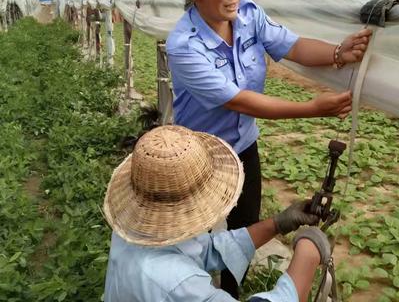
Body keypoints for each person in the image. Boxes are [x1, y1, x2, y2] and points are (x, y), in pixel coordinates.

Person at [166, 0, 371, 296]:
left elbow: (291, 46)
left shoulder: (247, 15)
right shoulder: (185, 46)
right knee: (191, 238)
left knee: (243, 229)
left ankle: (229, 292)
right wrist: (312, 109)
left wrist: (339, 53)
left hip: (243, 146)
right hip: (199, 155)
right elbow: (240, 100)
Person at [103, 125, 331, 302]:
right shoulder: (174, 283)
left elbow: (207, 249)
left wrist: (278, 224)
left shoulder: (137, 229)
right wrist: (308, 253)